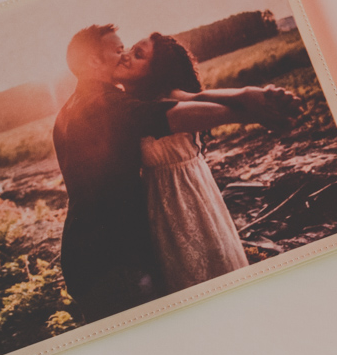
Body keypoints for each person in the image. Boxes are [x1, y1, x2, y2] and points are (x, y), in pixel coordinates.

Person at [53, 25, 289, 323]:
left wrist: (247, 95)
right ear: (93, 62)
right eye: (118, 50)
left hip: (97, 253)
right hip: (114, 260)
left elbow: (189, 97)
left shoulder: (71, 108)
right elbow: (167, 115)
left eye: (131, 51)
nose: (124, 55)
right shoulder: (102, 105)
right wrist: (250, 113)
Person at [111, 32, 301, 294]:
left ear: (156, 72)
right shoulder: (133, 106)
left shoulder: (166, 98)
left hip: (187, 202)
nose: (126, 56)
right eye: (131, 49)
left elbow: (195, 100)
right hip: (161, 208)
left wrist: (248, 98)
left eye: (138, 54)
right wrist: (250, 105)